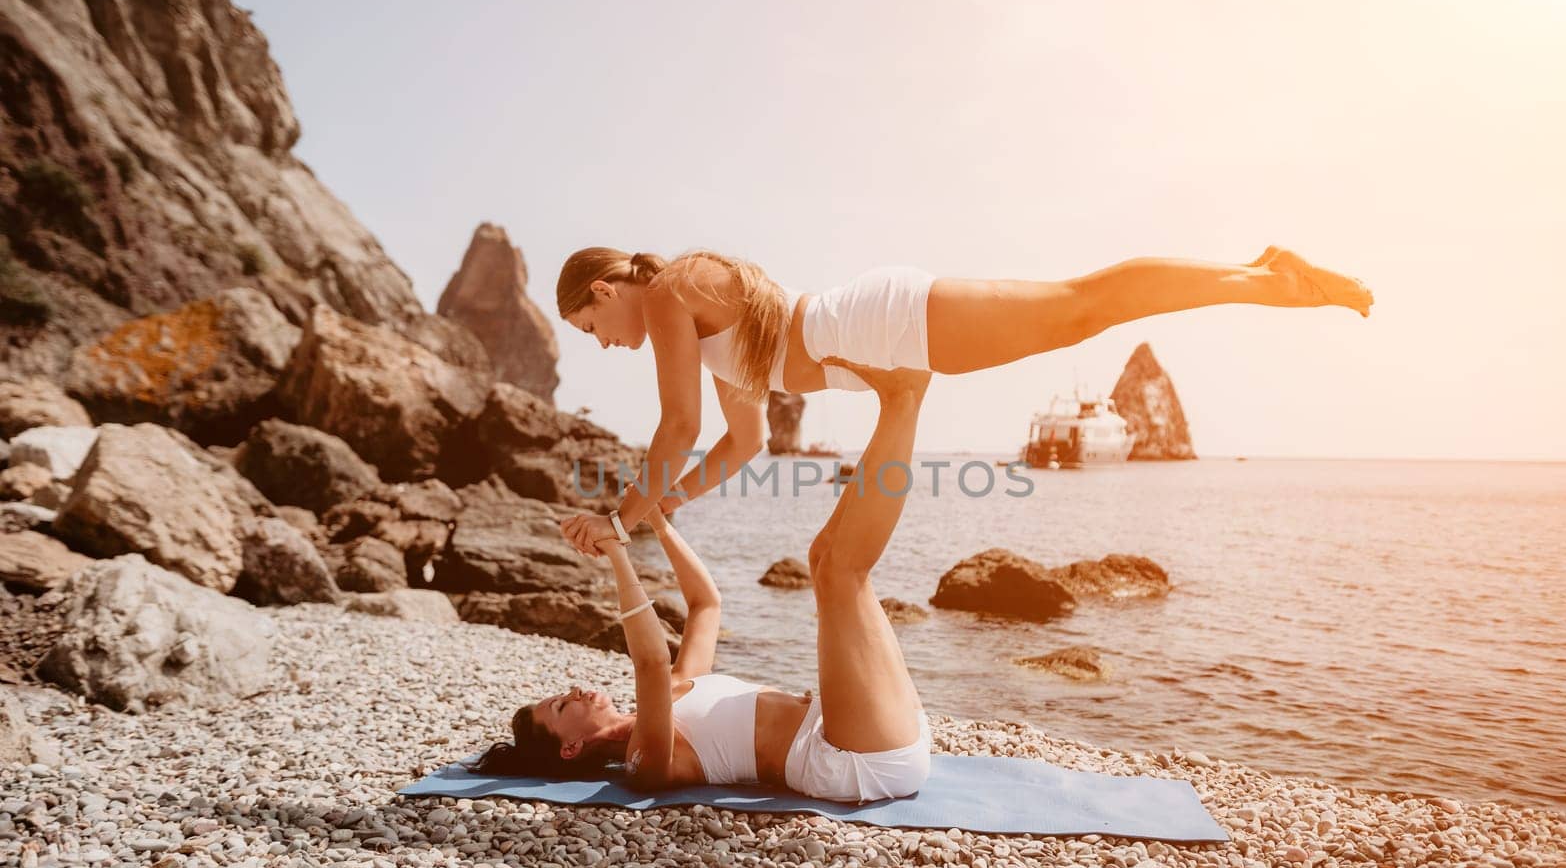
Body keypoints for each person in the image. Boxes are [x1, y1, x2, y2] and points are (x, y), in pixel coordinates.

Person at [554, 244, 1373, 553]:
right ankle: (1264, 276)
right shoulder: (709, 331)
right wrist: (659, 516)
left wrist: (623, 517)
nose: (604, 344)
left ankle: (1268, 278)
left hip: (881, 324)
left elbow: (678, 425)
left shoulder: (667, 290)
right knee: (1071, 310)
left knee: (1075, 306)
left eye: (592, 325)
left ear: (604, 288)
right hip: (878, 345)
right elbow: (738, 446)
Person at [468, 358, 937, 804]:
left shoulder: (676, 687)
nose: (574, 693)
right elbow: (649, 660)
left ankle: (906, 398)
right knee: (841, 574)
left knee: (822, 559)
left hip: (867, 730)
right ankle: (901, 399)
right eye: (562, 708)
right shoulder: (642, 761)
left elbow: (705, 604)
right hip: (854, 761)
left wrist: (660, 526)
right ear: (570, 748)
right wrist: (616, 550)